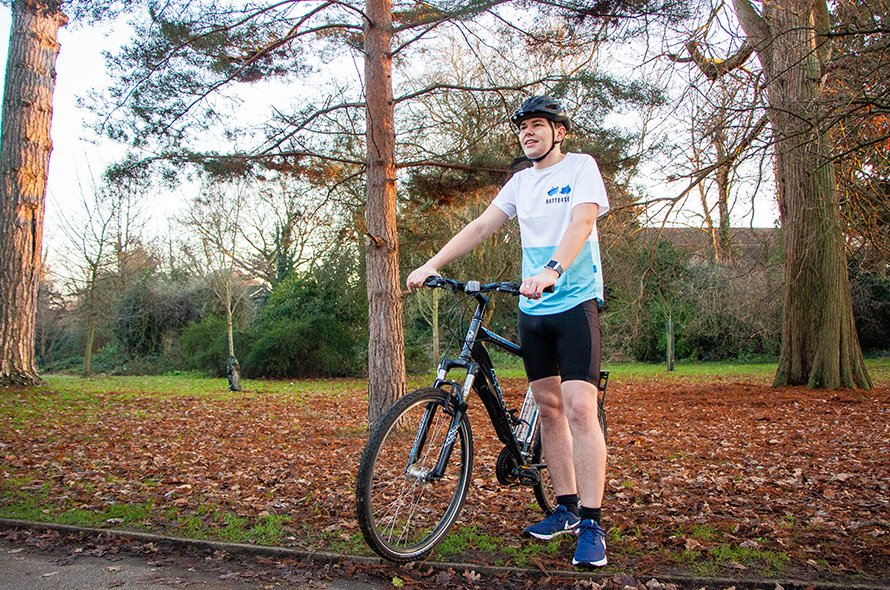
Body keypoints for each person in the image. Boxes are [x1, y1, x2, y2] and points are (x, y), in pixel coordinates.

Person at [406, 95, 610, 567]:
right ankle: (565, 508)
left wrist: (555, 268)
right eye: (523, 128)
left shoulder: (581, 167)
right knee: (548, 406)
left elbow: (582, 221)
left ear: (559, 132)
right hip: (532, 307)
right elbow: (481, 226)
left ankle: (593, 524)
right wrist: (431, 263)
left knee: (580, 408)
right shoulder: (521, 182)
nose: (528, 133)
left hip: (574, 301)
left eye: (538, 125)